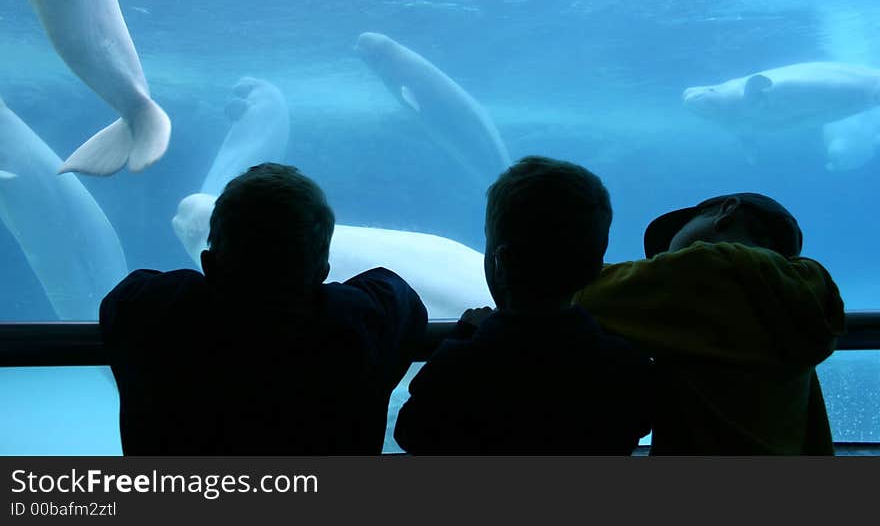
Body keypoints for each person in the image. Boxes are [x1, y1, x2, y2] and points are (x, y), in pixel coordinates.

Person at [100, 162, 427, 455]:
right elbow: (395, 293)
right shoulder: (354, 323)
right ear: (323, 273)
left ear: (207, 263)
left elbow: (128, 294)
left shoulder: (158, 313)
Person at [393, 156, 654, 454]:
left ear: (501, 261)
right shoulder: (622, 360)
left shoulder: (463, 361)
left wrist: (461, 334)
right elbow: (638, 424)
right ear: (598, 266)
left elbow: (412, 432)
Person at [572, 192, 846, 455]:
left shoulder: (710, 269)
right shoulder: (797, 302)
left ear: (726, 211)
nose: (662, 257)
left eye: (680, 230)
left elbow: (581, 291)